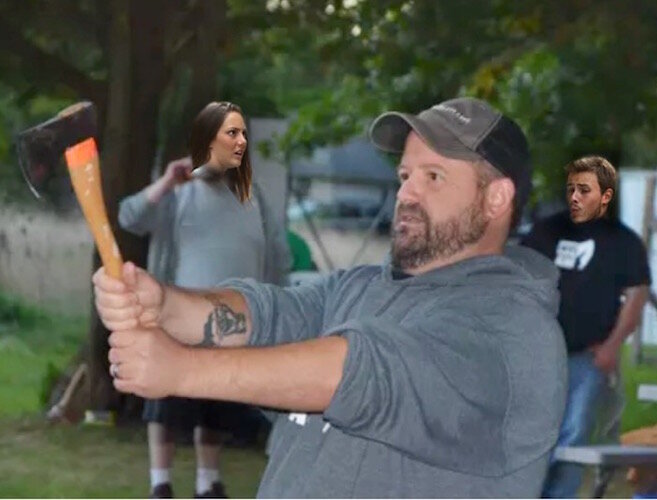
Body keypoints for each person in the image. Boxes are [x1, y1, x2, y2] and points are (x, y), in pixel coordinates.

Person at [95, 97, 567, 498]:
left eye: (433, 177)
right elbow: (270, 315)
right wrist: (162, 304)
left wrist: (178, 368)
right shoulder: (361, 286)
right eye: (405, 175)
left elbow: (362, 374)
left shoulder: (514, 329)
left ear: (497, 199)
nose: (407, 192)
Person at [117, 101, 291, 498]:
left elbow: (278, 255)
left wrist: (280, 303)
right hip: (175, 314)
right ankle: (160, 483)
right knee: (165, 403)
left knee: (215, 402)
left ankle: (207, 483)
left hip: (232, 322)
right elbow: (129, 217)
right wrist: (164, 183)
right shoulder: (177, 193)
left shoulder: (253, 196)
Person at [521, 155, 651, 498]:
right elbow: (517, 284)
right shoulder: (546, 232)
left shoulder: (623, 242)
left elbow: (638, 294)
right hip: (538, 356)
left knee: (574, 436)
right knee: (531, 433)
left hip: (586, 358)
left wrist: (612, 345)